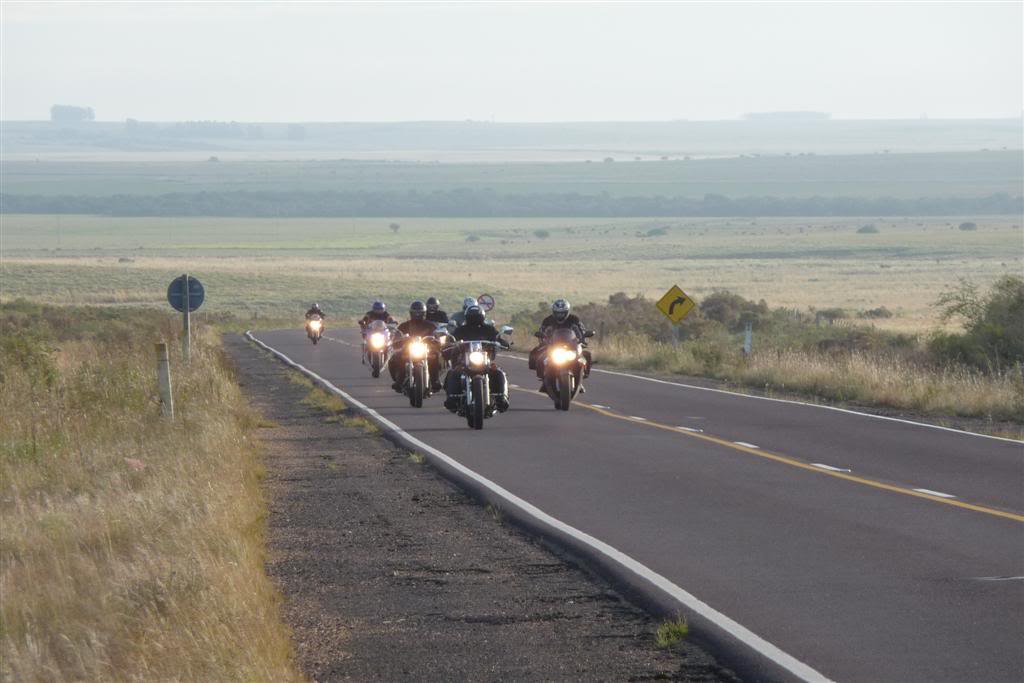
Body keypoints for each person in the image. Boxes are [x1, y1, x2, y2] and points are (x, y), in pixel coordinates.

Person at [443, 306, 510, 413]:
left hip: (485, 360)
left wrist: (503, 343)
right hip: (465, 360)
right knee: (453, 372)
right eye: (472, 317)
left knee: (498, 372)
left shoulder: (488, 329)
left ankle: (502, 397)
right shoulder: (461, 330)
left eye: (476, 317)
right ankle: (452, 398)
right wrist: (449, 345)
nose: (474, 319)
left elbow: (497, 338)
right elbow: (452, 339)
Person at [529, 298, 592, 380]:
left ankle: (583, 375)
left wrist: (582, 340)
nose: (560, 315)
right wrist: (543, 342)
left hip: (571, 345)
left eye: (562, 313)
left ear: (567, 312)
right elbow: (542, 332)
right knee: (537, 355)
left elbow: (581, 331)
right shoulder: (548, 320)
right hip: (553, 345)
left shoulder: (574, 319)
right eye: (558, 313)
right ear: (554, 312)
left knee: (586, 355)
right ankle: (543, 376)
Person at [389, 301, 442, 392]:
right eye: (415, 312)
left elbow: (437, 337)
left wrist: (436, 341)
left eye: (420, 312)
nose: (417, 314)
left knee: (436, 356)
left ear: (424, 313)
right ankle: (399, 381)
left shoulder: (431, 325)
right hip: (408, 349)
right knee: (396, 357)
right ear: (411, 313)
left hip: (426, 349)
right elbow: (397, 336)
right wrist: (397, 340)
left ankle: (435, 381)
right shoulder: (404, 326)